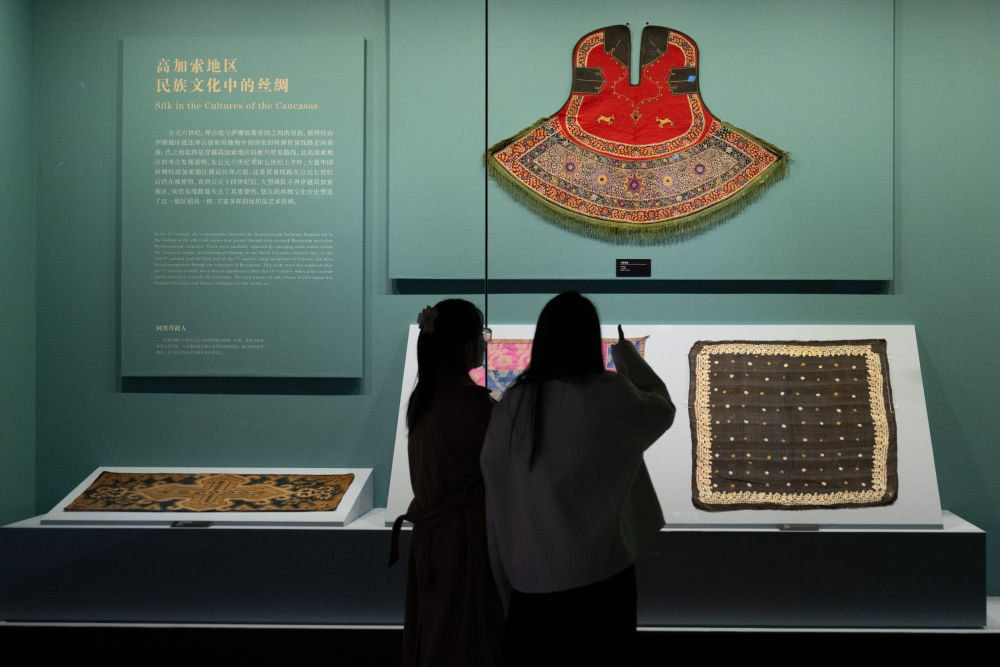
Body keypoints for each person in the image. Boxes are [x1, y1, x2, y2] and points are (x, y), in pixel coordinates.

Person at [480, 292, 675, 665]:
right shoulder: (609, 394)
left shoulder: (514, 404)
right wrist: (627, 356)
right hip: (602, 575)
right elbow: (661, 409)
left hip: (531, 581)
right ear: (590, 339)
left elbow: (498, 492)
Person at [390, 299, 504, 667]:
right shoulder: (475, 406)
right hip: (466, 541)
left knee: (436, 630)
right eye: (481, 335)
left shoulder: (424, 398)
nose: (485, 342)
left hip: (434, 538)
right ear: (468, 347)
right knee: (464, 636)